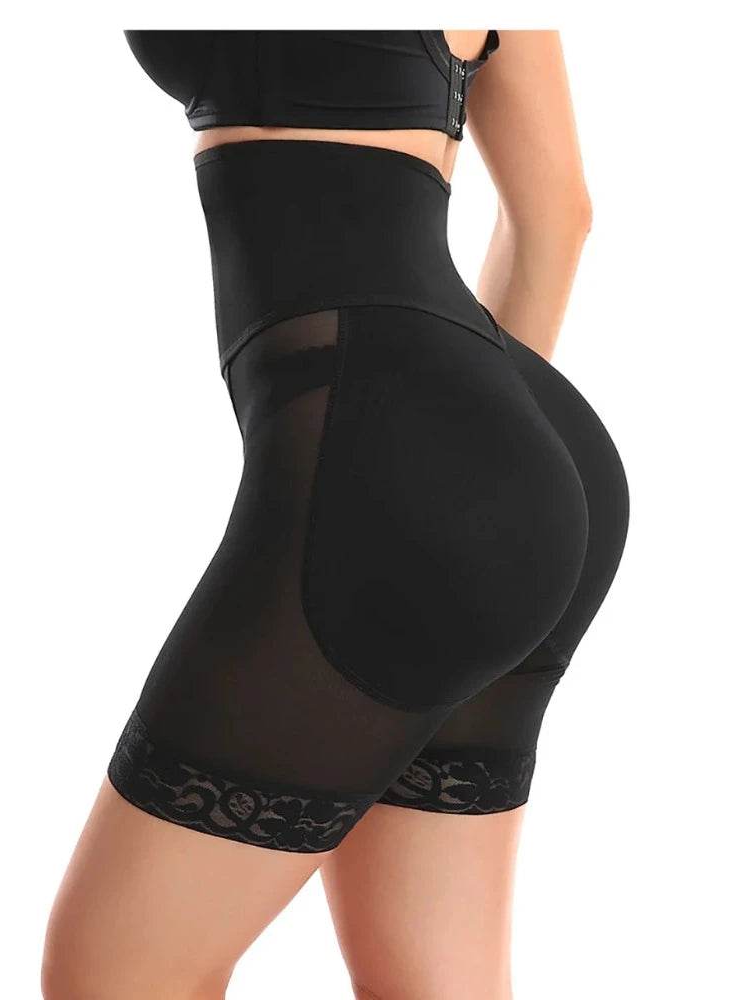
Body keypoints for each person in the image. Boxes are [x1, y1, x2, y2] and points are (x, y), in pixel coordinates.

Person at [43, 30, 628, 999]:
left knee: (115, 971)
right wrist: (485, 471)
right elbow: (558, 216)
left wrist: (432, 490)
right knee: (433, 983)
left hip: (391, 447)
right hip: (521, 435)